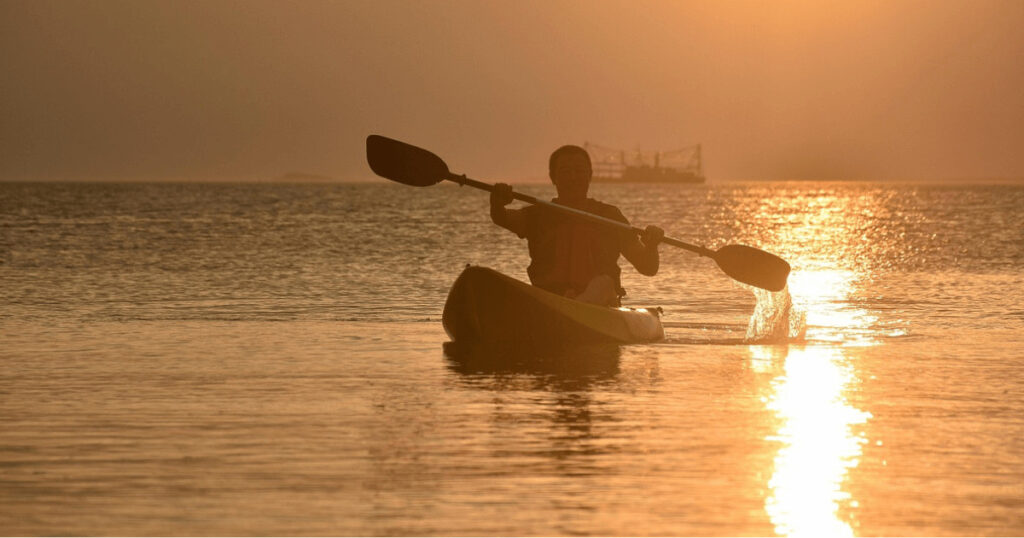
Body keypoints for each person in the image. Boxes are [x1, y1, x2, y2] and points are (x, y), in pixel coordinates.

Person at [490, 144, 663, 307]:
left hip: (601, 304)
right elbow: (502, 217)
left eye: (579, 171)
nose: (573, 177)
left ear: (590, 175)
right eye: (565, 172)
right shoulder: (537, 215)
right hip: (550, 301)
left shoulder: (610, 216)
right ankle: (568, 305)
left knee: (603, 283)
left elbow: (647, 267)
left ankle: (577, 304)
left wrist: (652, 245)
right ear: (553, 178)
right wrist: (497, 202)